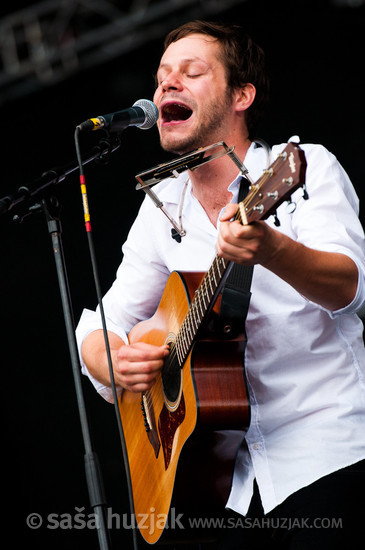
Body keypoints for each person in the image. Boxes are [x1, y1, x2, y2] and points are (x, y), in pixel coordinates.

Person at [76, 20, 365, 549]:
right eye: (162, 76)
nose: (167, 85)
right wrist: (111, 360)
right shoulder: (162, 206)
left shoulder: (303, 168)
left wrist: (272, 249)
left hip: (328, 455)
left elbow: (347, 286)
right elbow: (101, 321)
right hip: (224, 486)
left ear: (241, 96)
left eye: (192, 72)